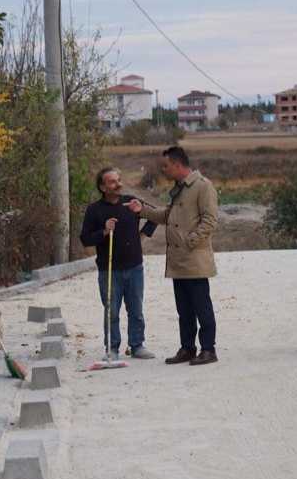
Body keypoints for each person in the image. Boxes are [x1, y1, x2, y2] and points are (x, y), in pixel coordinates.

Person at [126, 146, 219, 366]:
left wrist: (190, 242)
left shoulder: (203, 187)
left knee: (201, 307)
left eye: (166, 166)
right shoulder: (180, 189)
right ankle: (187, 348)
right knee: (184, 309)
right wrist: (142, 210)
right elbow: (167, 215)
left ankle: (208, 349)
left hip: (194, 260)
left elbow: (210, 220)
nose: (163, 170)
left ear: (178, 165)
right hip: (178, 262)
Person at [80, 167, 156, 361]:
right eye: (113, 181)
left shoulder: (130, 202)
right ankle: (112, 348)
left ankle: (137, 345)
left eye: (119, 180)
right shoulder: (94, 210)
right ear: (103, 187)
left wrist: (142, 236)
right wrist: (104, 231)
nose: (118, 184)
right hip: (109, 269)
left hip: (134, 266)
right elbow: (86, 239)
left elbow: (154, 216)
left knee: (136, 309)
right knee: (111, 311)